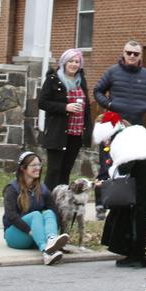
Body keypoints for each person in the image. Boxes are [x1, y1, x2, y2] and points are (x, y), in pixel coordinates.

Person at [94, 113, 146, 268]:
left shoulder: (120, 139)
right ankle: (144, 253)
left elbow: (122, 168)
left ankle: (140, 256)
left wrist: (106, 183)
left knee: (142, 216)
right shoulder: (134, 131)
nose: (105, 142)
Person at [40, 48, 94, 190]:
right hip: (58, 133)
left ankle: (62, 205)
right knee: (54, 171)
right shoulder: (53, 80)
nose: (74, 64)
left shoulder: (81, 81)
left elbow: (87, 108)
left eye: (77, 61)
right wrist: (65, 107)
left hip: (75, 134)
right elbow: (42, 103)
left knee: (66, 171)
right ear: (64, 62)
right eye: (71, 61)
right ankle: (47, 204)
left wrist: (88, 130)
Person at [2, 151, 69, 265]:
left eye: (39, 164)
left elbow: (55, 212)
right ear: (23, 168)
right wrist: (31, 231)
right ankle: (46, 252)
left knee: (49, 212)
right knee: (36, 215)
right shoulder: (12, 189)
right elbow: (11, 216)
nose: (38, 168)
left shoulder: (42, 188)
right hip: (15, 235)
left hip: (36, 236)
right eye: (34, 165)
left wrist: (50, 230)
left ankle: (51, 240)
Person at [93, 40, 146, 125]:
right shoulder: (112, 71)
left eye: (136, 54)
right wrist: (108, 104)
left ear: (140, 56)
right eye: (129, 53)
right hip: (115, 122)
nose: (132, 56)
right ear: (124, 53)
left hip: (137, 123)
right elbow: (97, 91)